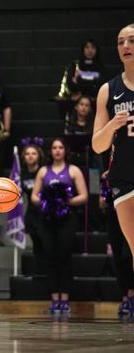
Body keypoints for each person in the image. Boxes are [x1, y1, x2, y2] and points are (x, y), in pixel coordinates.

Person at [93, 23, 134, 274]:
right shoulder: (108, 90)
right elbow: (98, 145)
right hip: (124, 176)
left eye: (131, 40)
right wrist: (111, 126)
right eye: (120, 41)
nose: (126, 46)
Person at [31, 138, 88, 314]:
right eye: (54, 148)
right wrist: (47, 202)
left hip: (67, 219)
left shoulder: (73, 170)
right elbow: (33, 197)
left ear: (65, 150)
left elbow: (84, 196)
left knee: (64, 257)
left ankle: (65, 298)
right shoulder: (43, 171)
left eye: (60, 147)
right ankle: (54, 298)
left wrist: (65, 201)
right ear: (50, 151)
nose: (57, 150)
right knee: (50, 257)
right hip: (47, 220)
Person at [99, 171, 134, 316]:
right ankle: (125, 296)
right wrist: (106, 195)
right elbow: (101, 203)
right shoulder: (105, 176)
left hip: (129, 213)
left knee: (128, 255)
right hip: (112, 217)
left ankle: (132, 293)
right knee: (118, 257)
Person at [20, 139, 44, 270]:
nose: (30, 156)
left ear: (39, 155)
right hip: (31, 212)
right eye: (27, 153)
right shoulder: (21, 174)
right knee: (36, 245)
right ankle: (39, 273)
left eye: (33, 153)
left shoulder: (44, 171)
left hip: (45, 212)